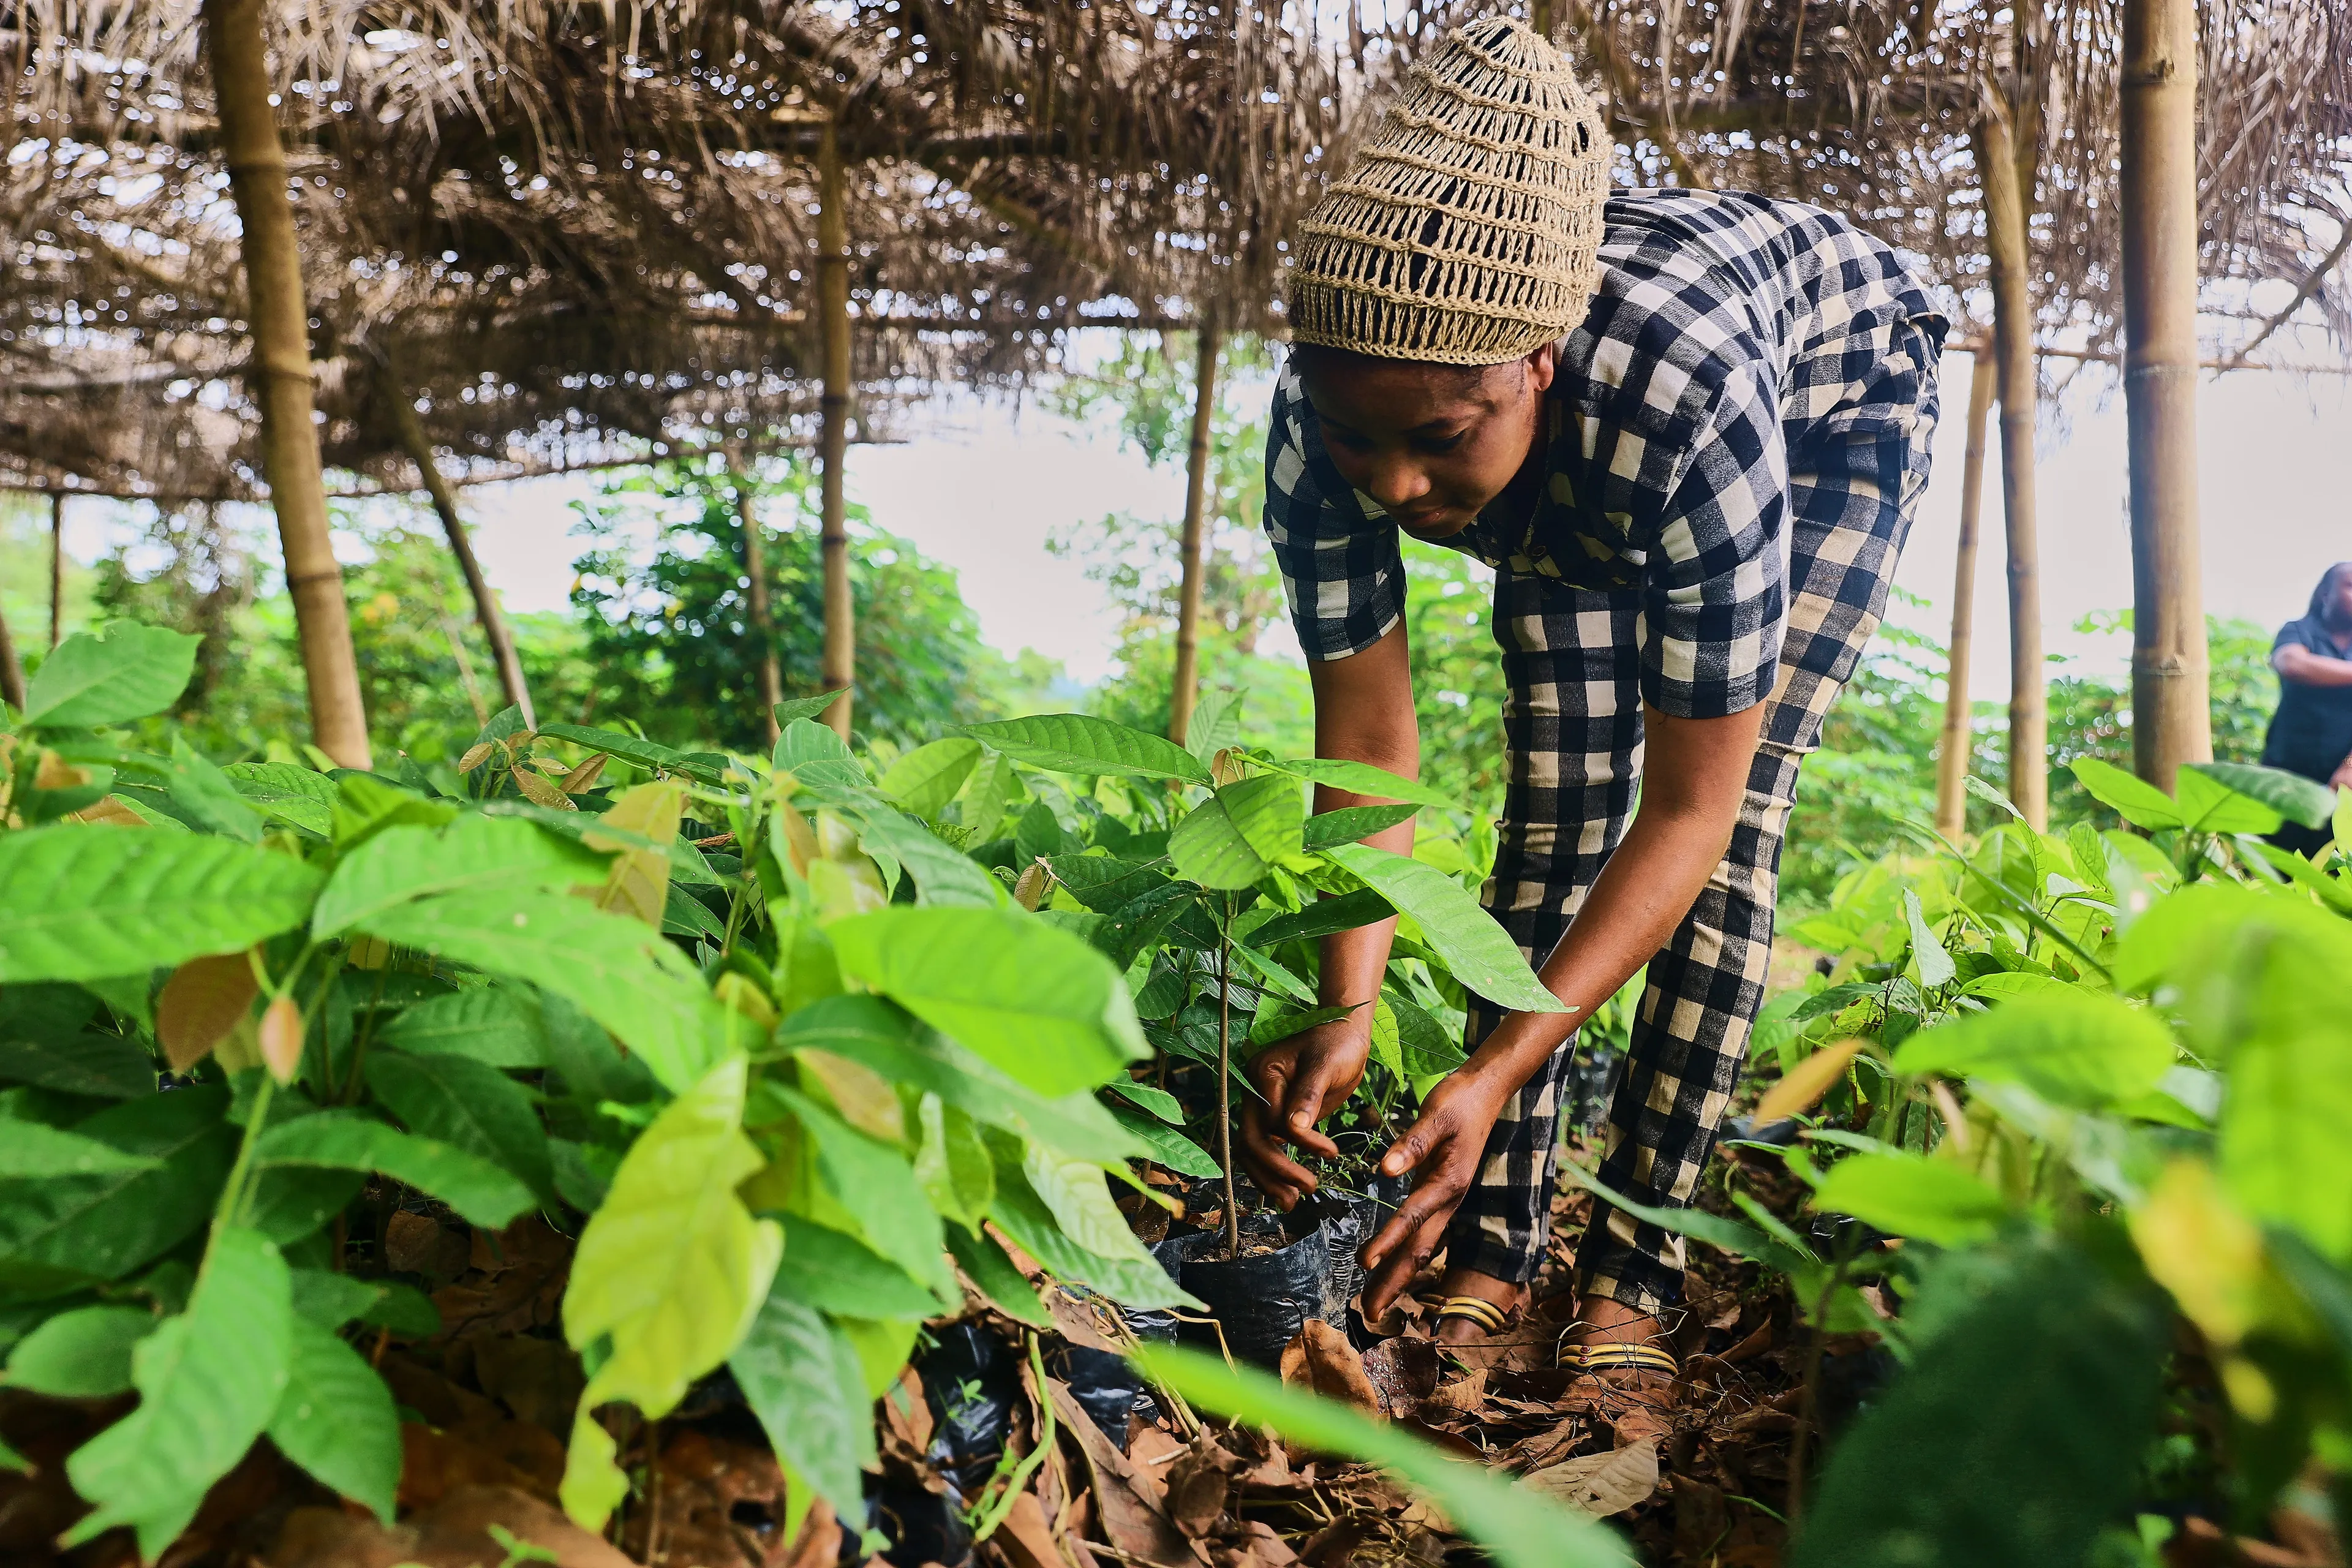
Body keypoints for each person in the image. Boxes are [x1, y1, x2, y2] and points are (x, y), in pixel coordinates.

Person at [1235, 15, 1945, 1399]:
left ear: (1532, 369)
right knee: (1552, 818)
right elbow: (1372, 745)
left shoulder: (1685, 409)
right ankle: (1493, 1242)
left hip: (1826, 414)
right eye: (1353, 439)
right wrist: (1348, 998)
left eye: (1434, 441)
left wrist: (1495, 1065)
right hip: (1586, 462)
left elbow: (1689, 805)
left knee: (1729, 840)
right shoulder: (1323, 424)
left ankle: (1633, 1264)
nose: (1387, 486)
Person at [2261, 562, 2352, 857]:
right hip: (2285, 773)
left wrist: (2350, 767)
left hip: (2341, 781)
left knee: (2334, 866)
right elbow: (2292, 663)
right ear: (2325, 594)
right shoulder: (2299, 630)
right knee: (2276, 864)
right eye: (2350, 585)